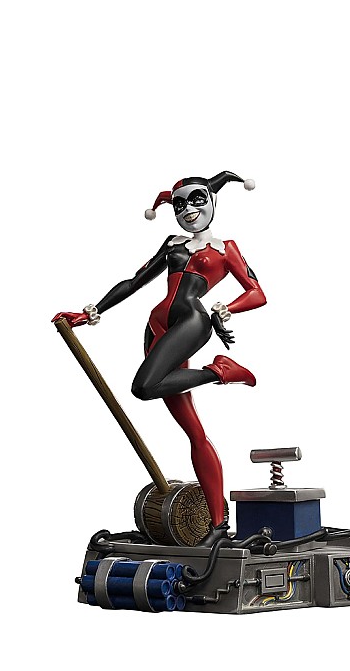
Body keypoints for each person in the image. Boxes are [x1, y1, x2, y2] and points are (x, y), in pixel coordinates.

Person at [53, 171, 266, 545]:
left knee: (144, 386)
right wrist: (90, 312)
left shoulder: (225, 249)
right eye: (179, 204)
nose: (188, 209)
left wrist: (226, 308)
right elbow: (134, 282)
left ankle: (219, 372)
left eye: (197, 199)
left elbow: (257, 292)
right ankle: (218, 526)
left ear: (213, 201)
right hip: (157, 327)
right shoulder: (172, 244)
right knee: (194, 431)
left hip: (191, 322)